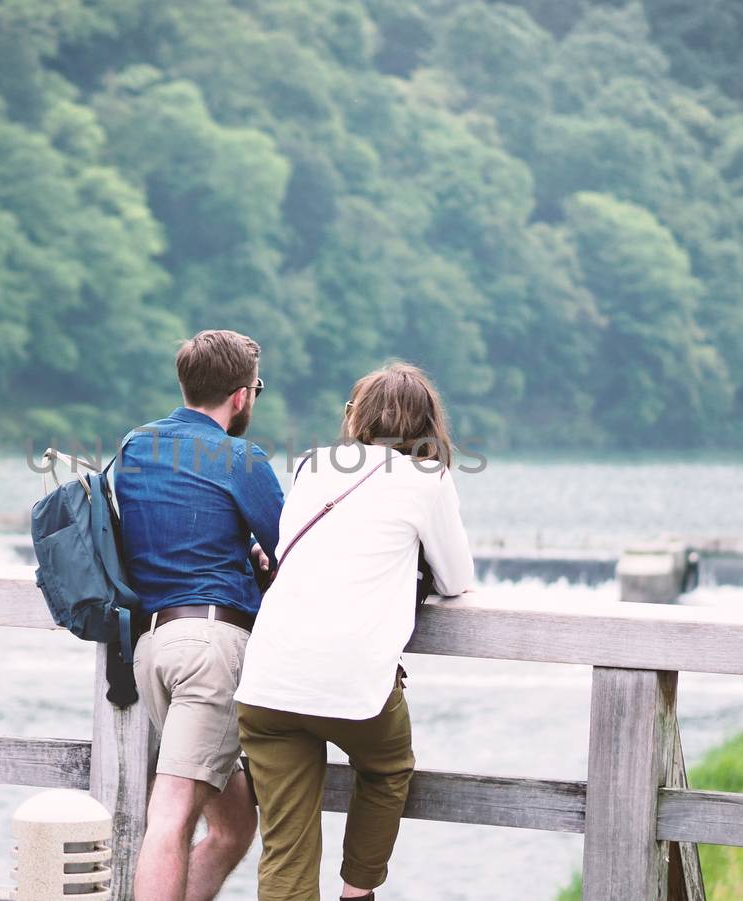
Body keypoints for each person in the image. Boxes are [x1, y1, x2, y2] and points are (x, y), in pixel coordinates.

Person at [234, 362, 476, 901]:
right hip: (352, 685)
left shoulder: (312, 465)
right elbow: (458, 579)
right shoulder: (426, 478)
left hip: (268, 679)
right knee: (388, 767)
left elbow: (282, 551)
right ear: (427, 424)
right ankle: (357, 890)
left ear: (356, 415)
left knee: (286, 852)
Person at [115, 329, 285, 901]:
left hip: (154, 652)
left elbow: (170, 527)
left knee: (234, 826)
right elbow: (290, 548)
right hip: (210, 649)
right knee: (170, 817)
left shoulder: (136, 446)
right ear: (241, 396)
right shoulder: (241, 458)